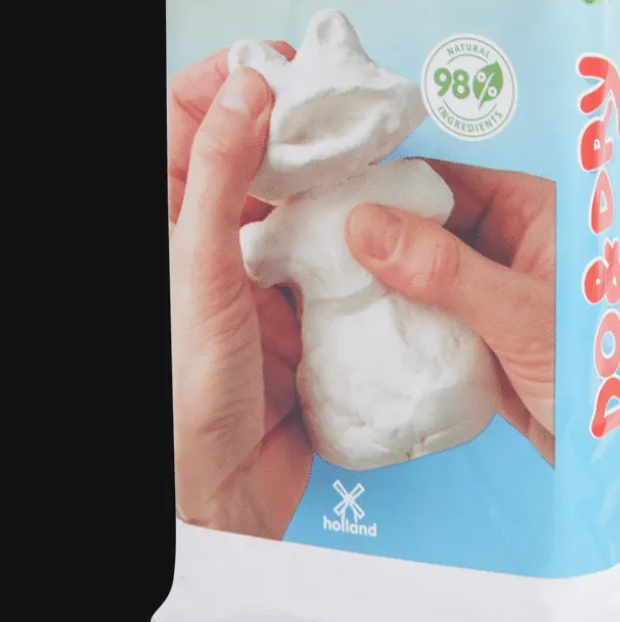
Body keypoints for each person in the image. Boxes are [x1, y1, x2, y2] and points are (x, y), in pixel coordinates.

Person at [168, 49, 556, 539]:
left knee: (435, 379)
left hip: (420, 341)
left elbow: (256, 256)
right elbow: (434, 196)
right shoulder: (306, 217)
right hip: (347, 375)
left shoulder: (323, 210)